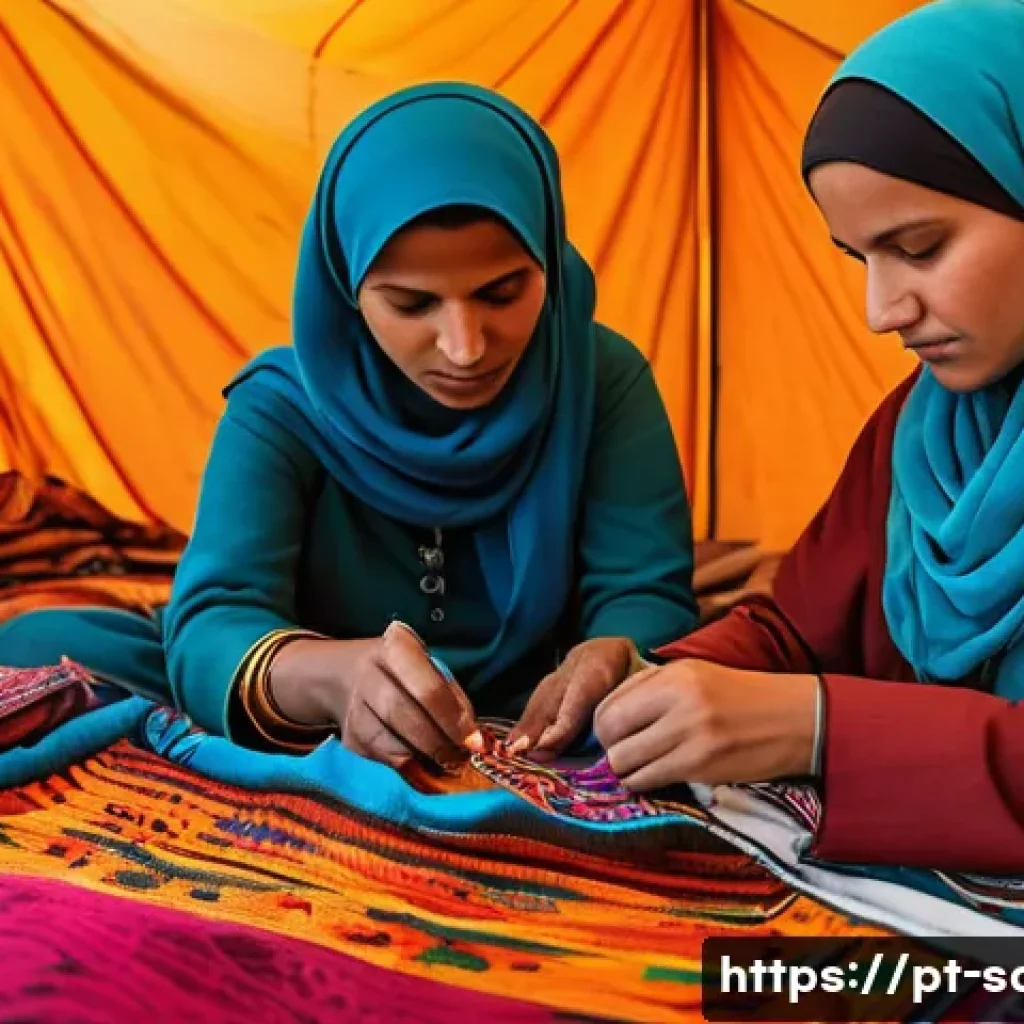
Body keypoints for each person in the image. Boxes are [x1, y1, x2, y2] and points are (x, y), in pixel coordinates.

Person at [0, 83, 697, 771]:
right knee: (51, 647)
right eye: (411, 303)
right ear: (347, 287)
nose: (465, 346)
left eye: (503, 292)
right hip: (318, 693)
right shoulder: (281, 407)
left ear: (549, 259)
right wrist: (334, 677)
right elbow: (219, 614)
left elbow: (645, 593)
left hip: (533, 703)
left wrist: (613, 651)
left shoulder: (599, 378)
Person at [589, 0, 1024, 874]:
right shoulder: (925, 427)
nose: (881, 312)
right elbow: (800, 630)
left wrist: (822, 726)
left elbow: (807, 691)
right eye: (861, 258)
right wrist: (656, 674)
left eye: (921, 247)